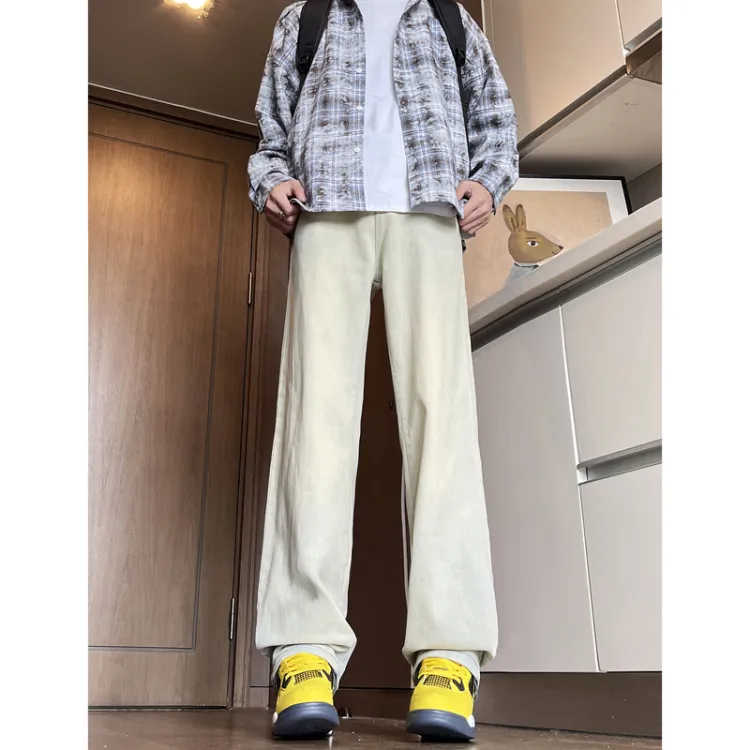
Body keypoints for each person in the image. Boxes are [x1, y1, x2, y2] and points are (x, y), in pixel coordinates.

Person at [248, 0, 518, 741]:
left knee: (443, 425)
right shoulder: (304, 17)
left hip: (429, 214)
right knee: (315, 425)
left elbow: (496, 119)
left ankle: (450, 655)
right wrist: (270, 179)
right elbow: (271, 134)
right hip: (325, 213)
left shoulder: (450, 18)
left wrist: (489, 181)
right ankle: (303, 652)